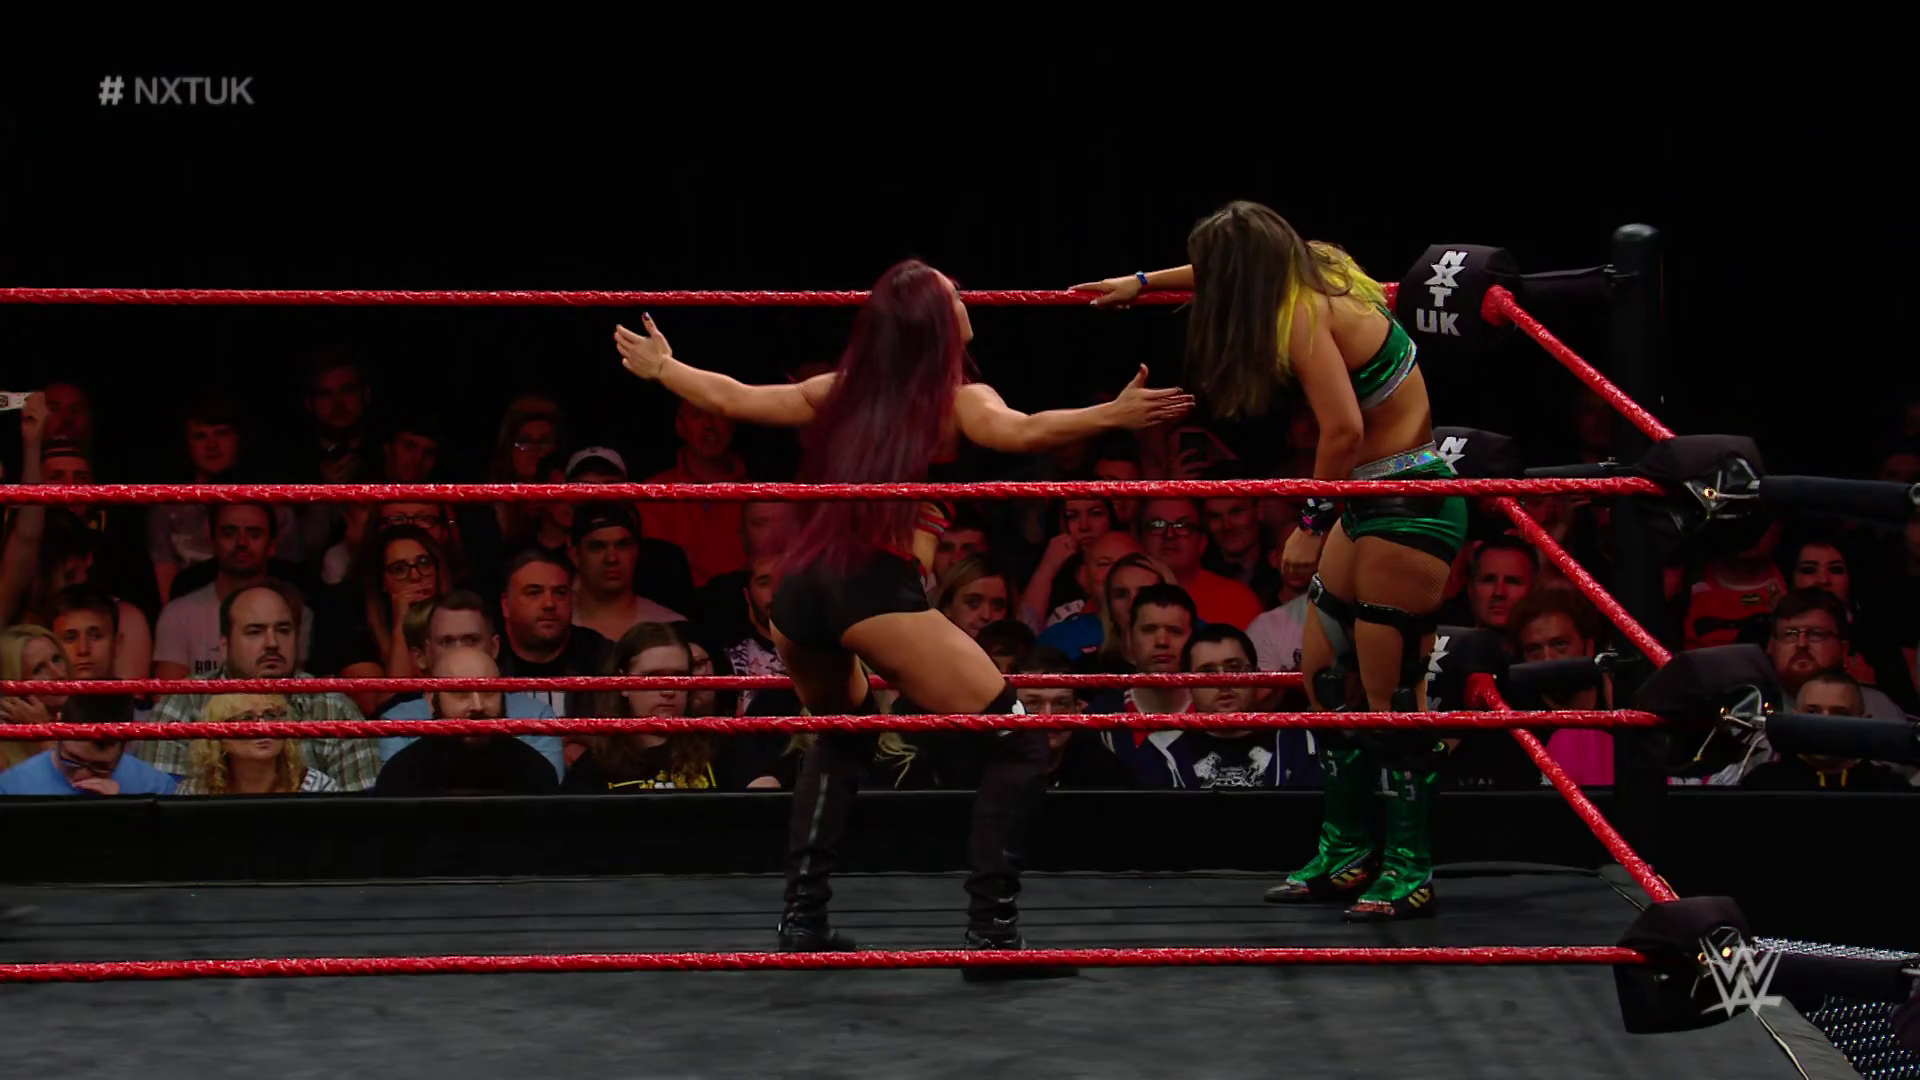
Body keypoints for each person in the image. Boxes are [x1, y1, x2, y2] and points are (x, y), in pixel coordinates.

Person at [615, 258, 1192, 962]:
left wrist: (665, 368)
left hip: (798, 591)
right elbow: (1023, 431)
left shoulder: (841, 389)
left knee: (843, 736)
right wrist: (1112, 415)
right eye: (954, 294)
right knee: (1019, 740)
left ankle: (803, 921)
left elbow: (735, 397)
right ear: (935, 322)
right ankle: (992, 932)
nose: (965, 298)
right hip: (868, 585)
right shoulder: (953, 398)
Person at [1077, 200, 1467, 920]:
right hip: (1367, 499)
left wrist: (1310, 524)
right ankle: (1346, 853)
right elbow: (1221, 266)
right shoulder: (1309, 263)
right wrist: (1144, 281)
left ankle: (1410, 868)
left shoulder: (1303, 315)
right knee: (1325, 679)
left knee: (1390, 700)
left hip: (1408, 500)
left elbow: (1342, 428)